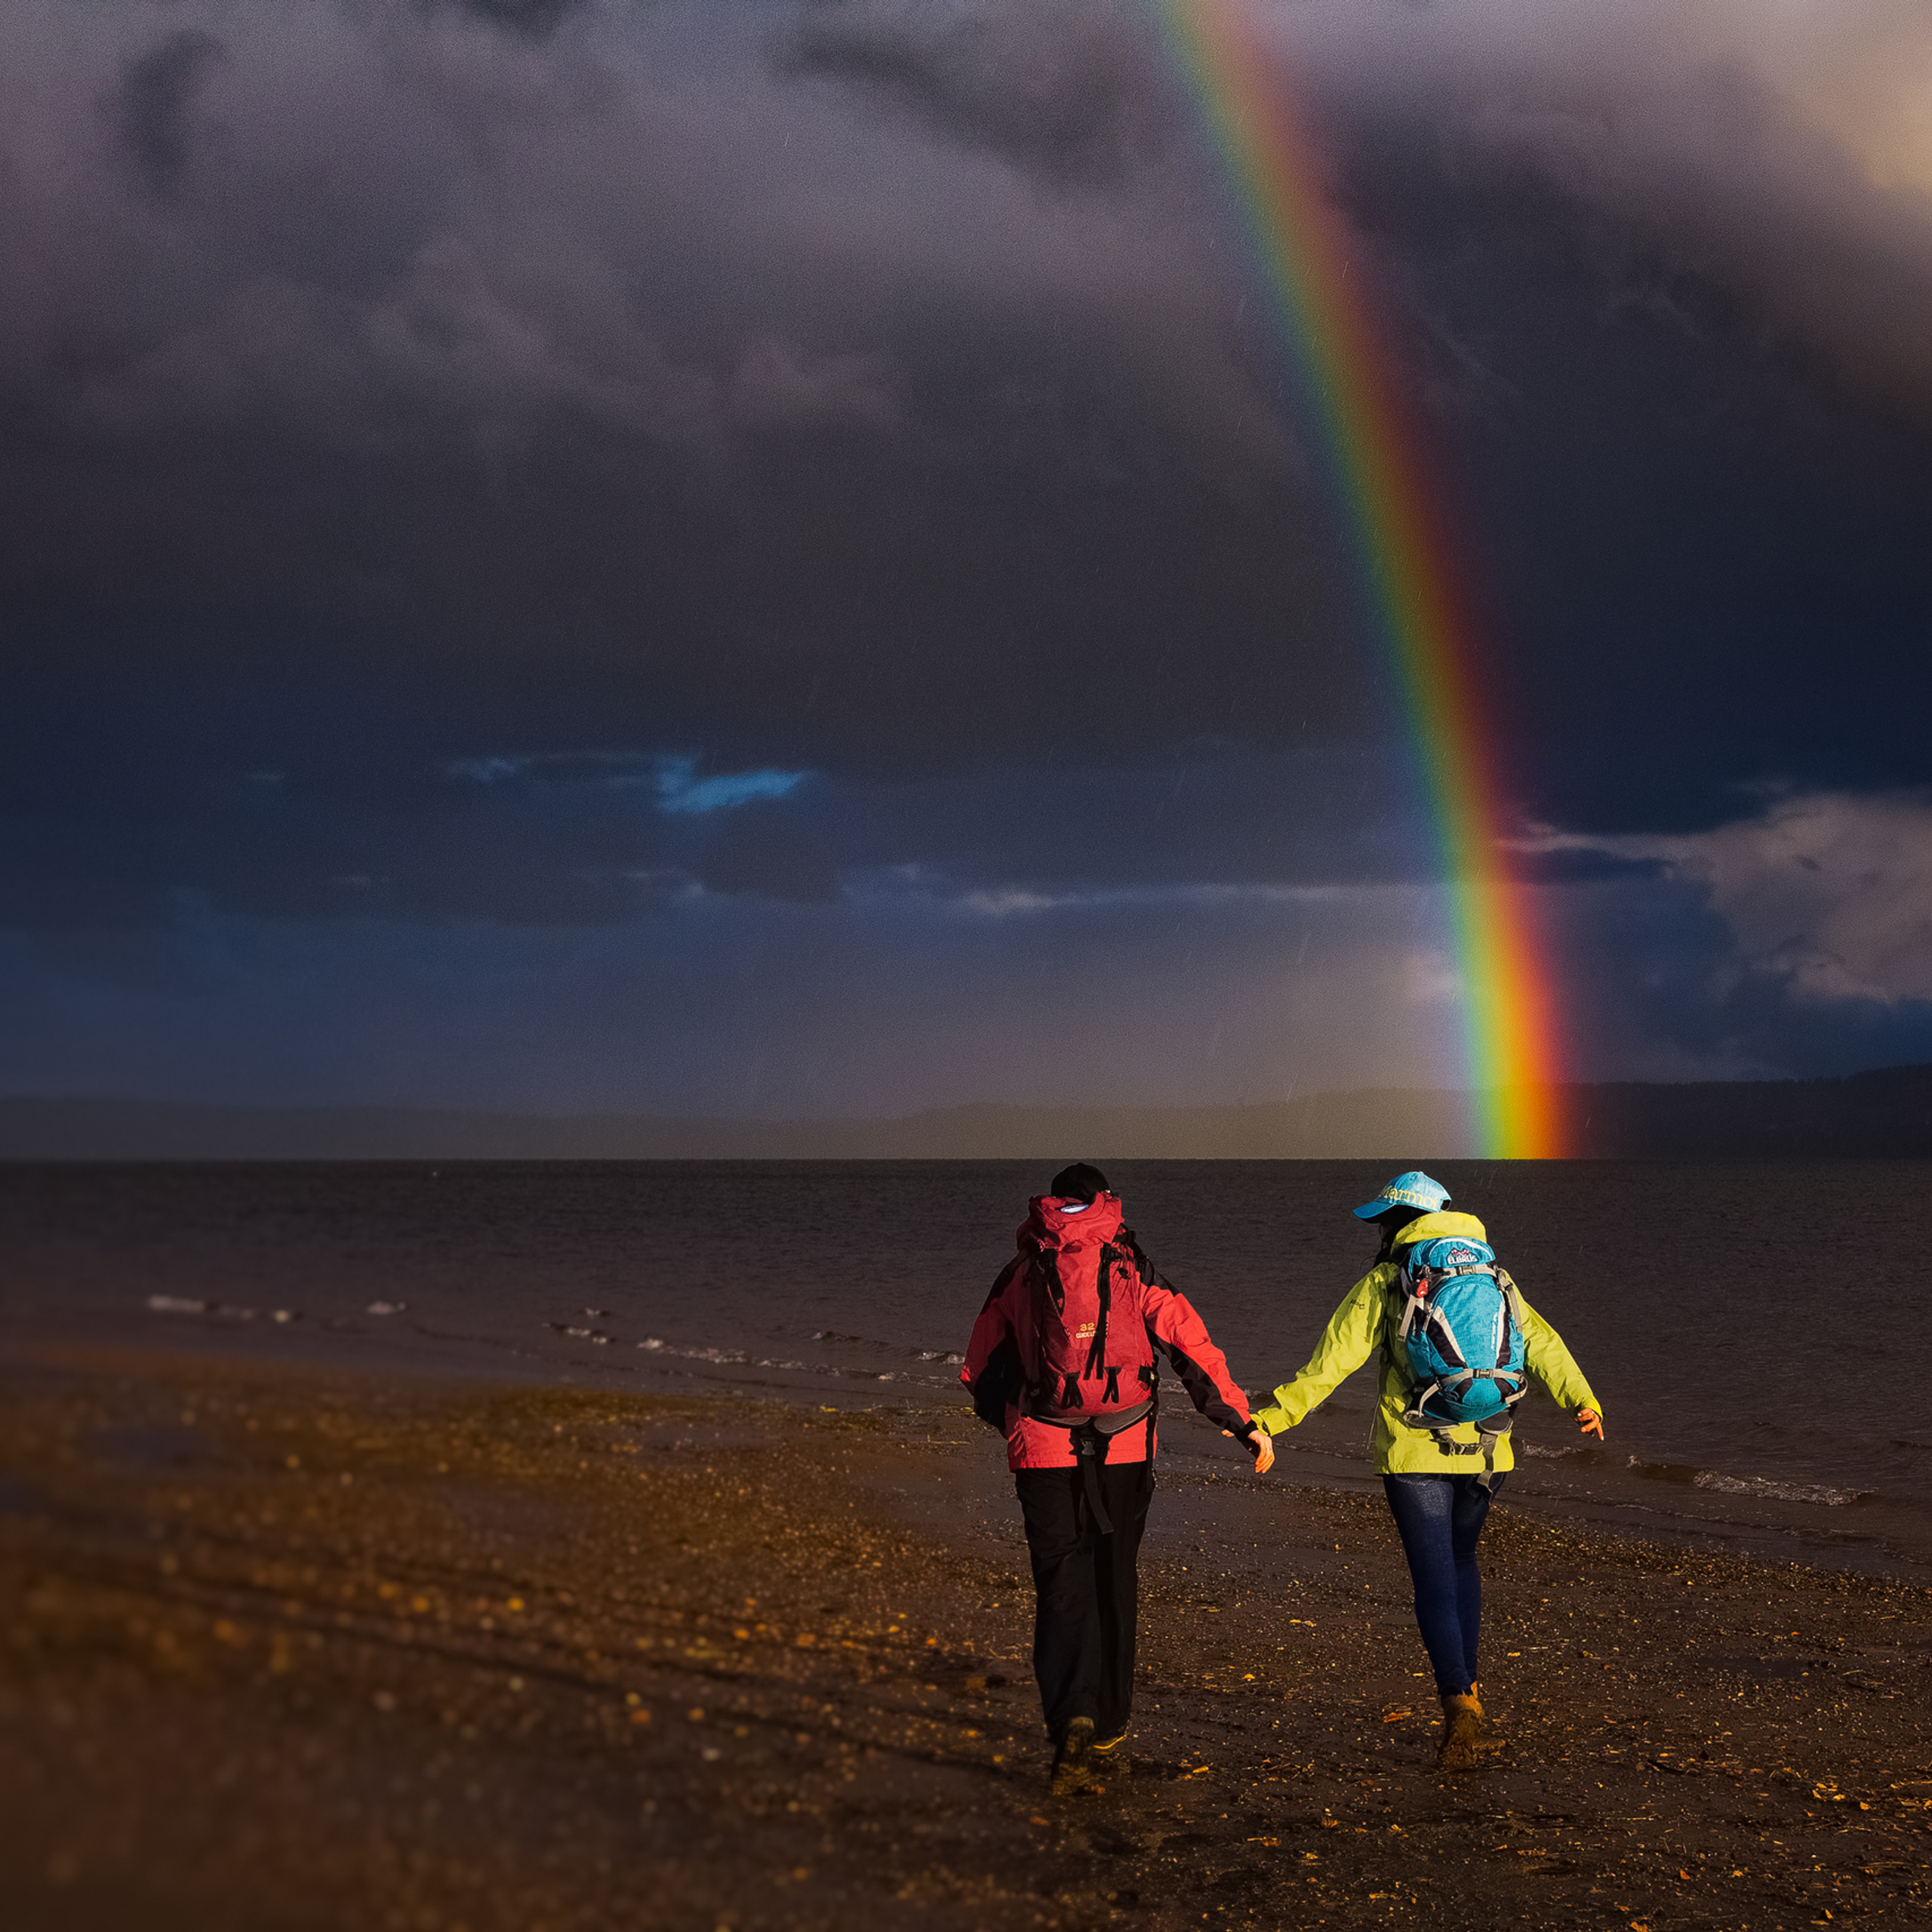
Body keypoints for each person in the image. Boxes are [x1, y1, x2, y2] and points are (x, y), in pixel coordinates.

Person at [1249, 1170, 1603, 1769]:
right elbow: (1541, 1343)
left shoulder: (1388, 1281)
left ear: (1398, 1224)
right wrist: (1582, 1401)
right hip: (1490, 1450)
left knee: (1433, 1575)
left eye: (1384, 1221)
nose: (1380, 1232)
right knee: (1463, 1562)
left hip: (1413, 1453)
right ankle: (1471, 1694)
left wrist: (1269, 1421)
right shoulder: (1493, 1275)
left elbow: (1330, 1365)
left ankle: (1459, 1703)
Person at [961, 1161, 1273, 1793]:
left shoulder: (1024, 1269)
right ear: (1106, 1201)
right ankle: (1108, 1723)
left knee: (1060, 1582)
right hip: (1127, 1446)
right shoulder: (1131, 1264)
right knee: (1114, 1574)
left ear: (1052, 1204)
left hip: (1043, 1451)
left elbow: (976, 1370)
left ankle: (1070, 1719)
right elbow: (1190, 1346)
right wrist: (1243, 1423)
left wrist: (1022, 1425)